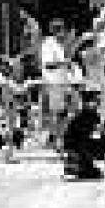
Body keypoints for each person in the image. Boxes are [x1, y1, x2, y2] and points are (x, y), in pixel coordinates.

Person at [62, 87, 105, 179]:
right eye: (96, 101)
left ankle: (79, 167)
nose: (98, 104)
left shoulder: (88, 115)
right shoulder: (88, 116)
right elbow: (90, 135)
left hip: (78, 146)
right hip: (79, 147)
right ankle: (78, 167)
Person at [40, 18, 70, 148]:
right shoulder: (48, 44)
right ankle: (54, 139)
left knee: (62, 112)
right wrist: (63, 63)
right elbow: (48, 64)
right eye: (62, 30)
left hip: (61, 82)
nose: (64, 33)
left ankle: (58, 138)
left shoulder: (58, 45)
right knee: (56, 112)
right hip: (53, 82)